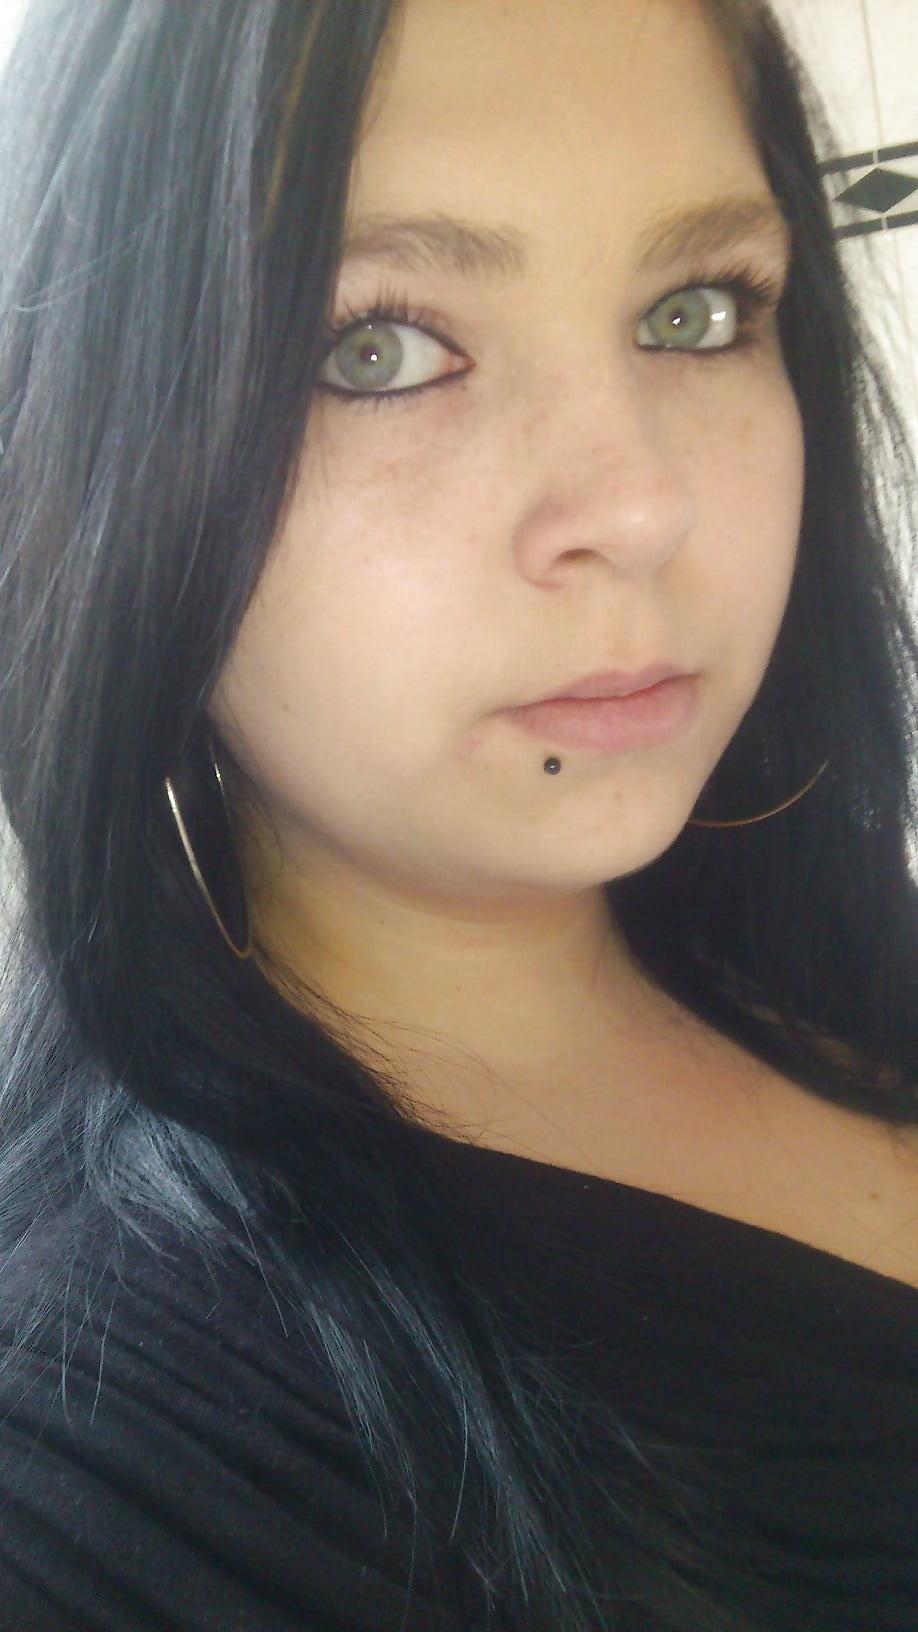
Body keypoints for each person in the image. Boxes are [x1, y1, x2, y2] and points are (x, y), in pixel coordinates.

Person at [0, 0, 914, 1627]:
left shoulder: (841, 947)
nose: (640, 503)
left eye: (696, 310)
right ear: (106, 454)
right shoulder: (115, 1450)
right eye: (378, 349)